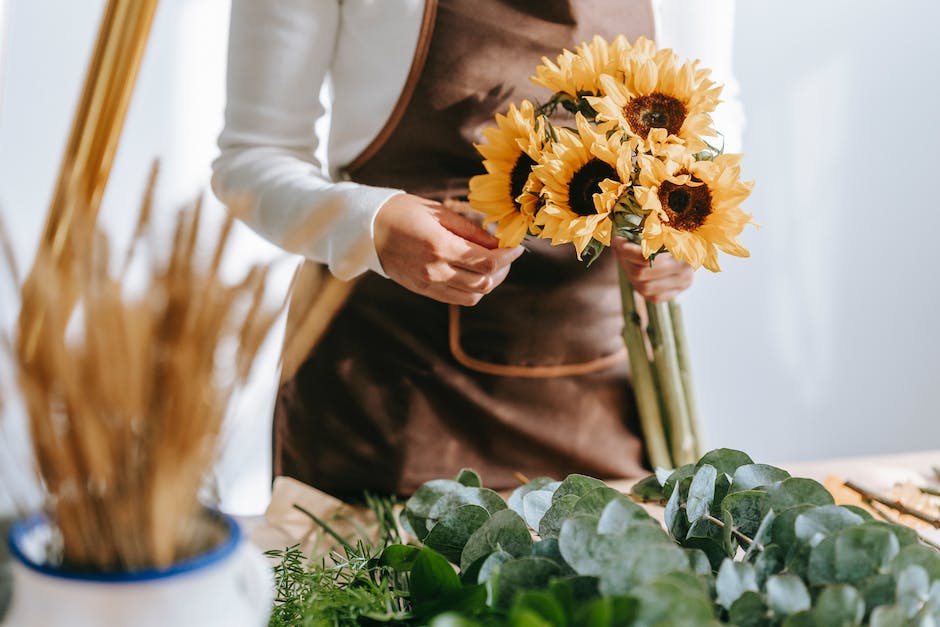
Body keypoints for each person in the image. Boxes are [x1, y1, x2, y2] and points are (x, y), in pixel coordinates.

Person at [212, 0, 742, 500]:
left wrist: (684, 226)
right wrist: (367, 225)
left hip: (606, 392)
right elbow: (253, 156)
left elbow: (714, 107)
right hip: (388, 386)